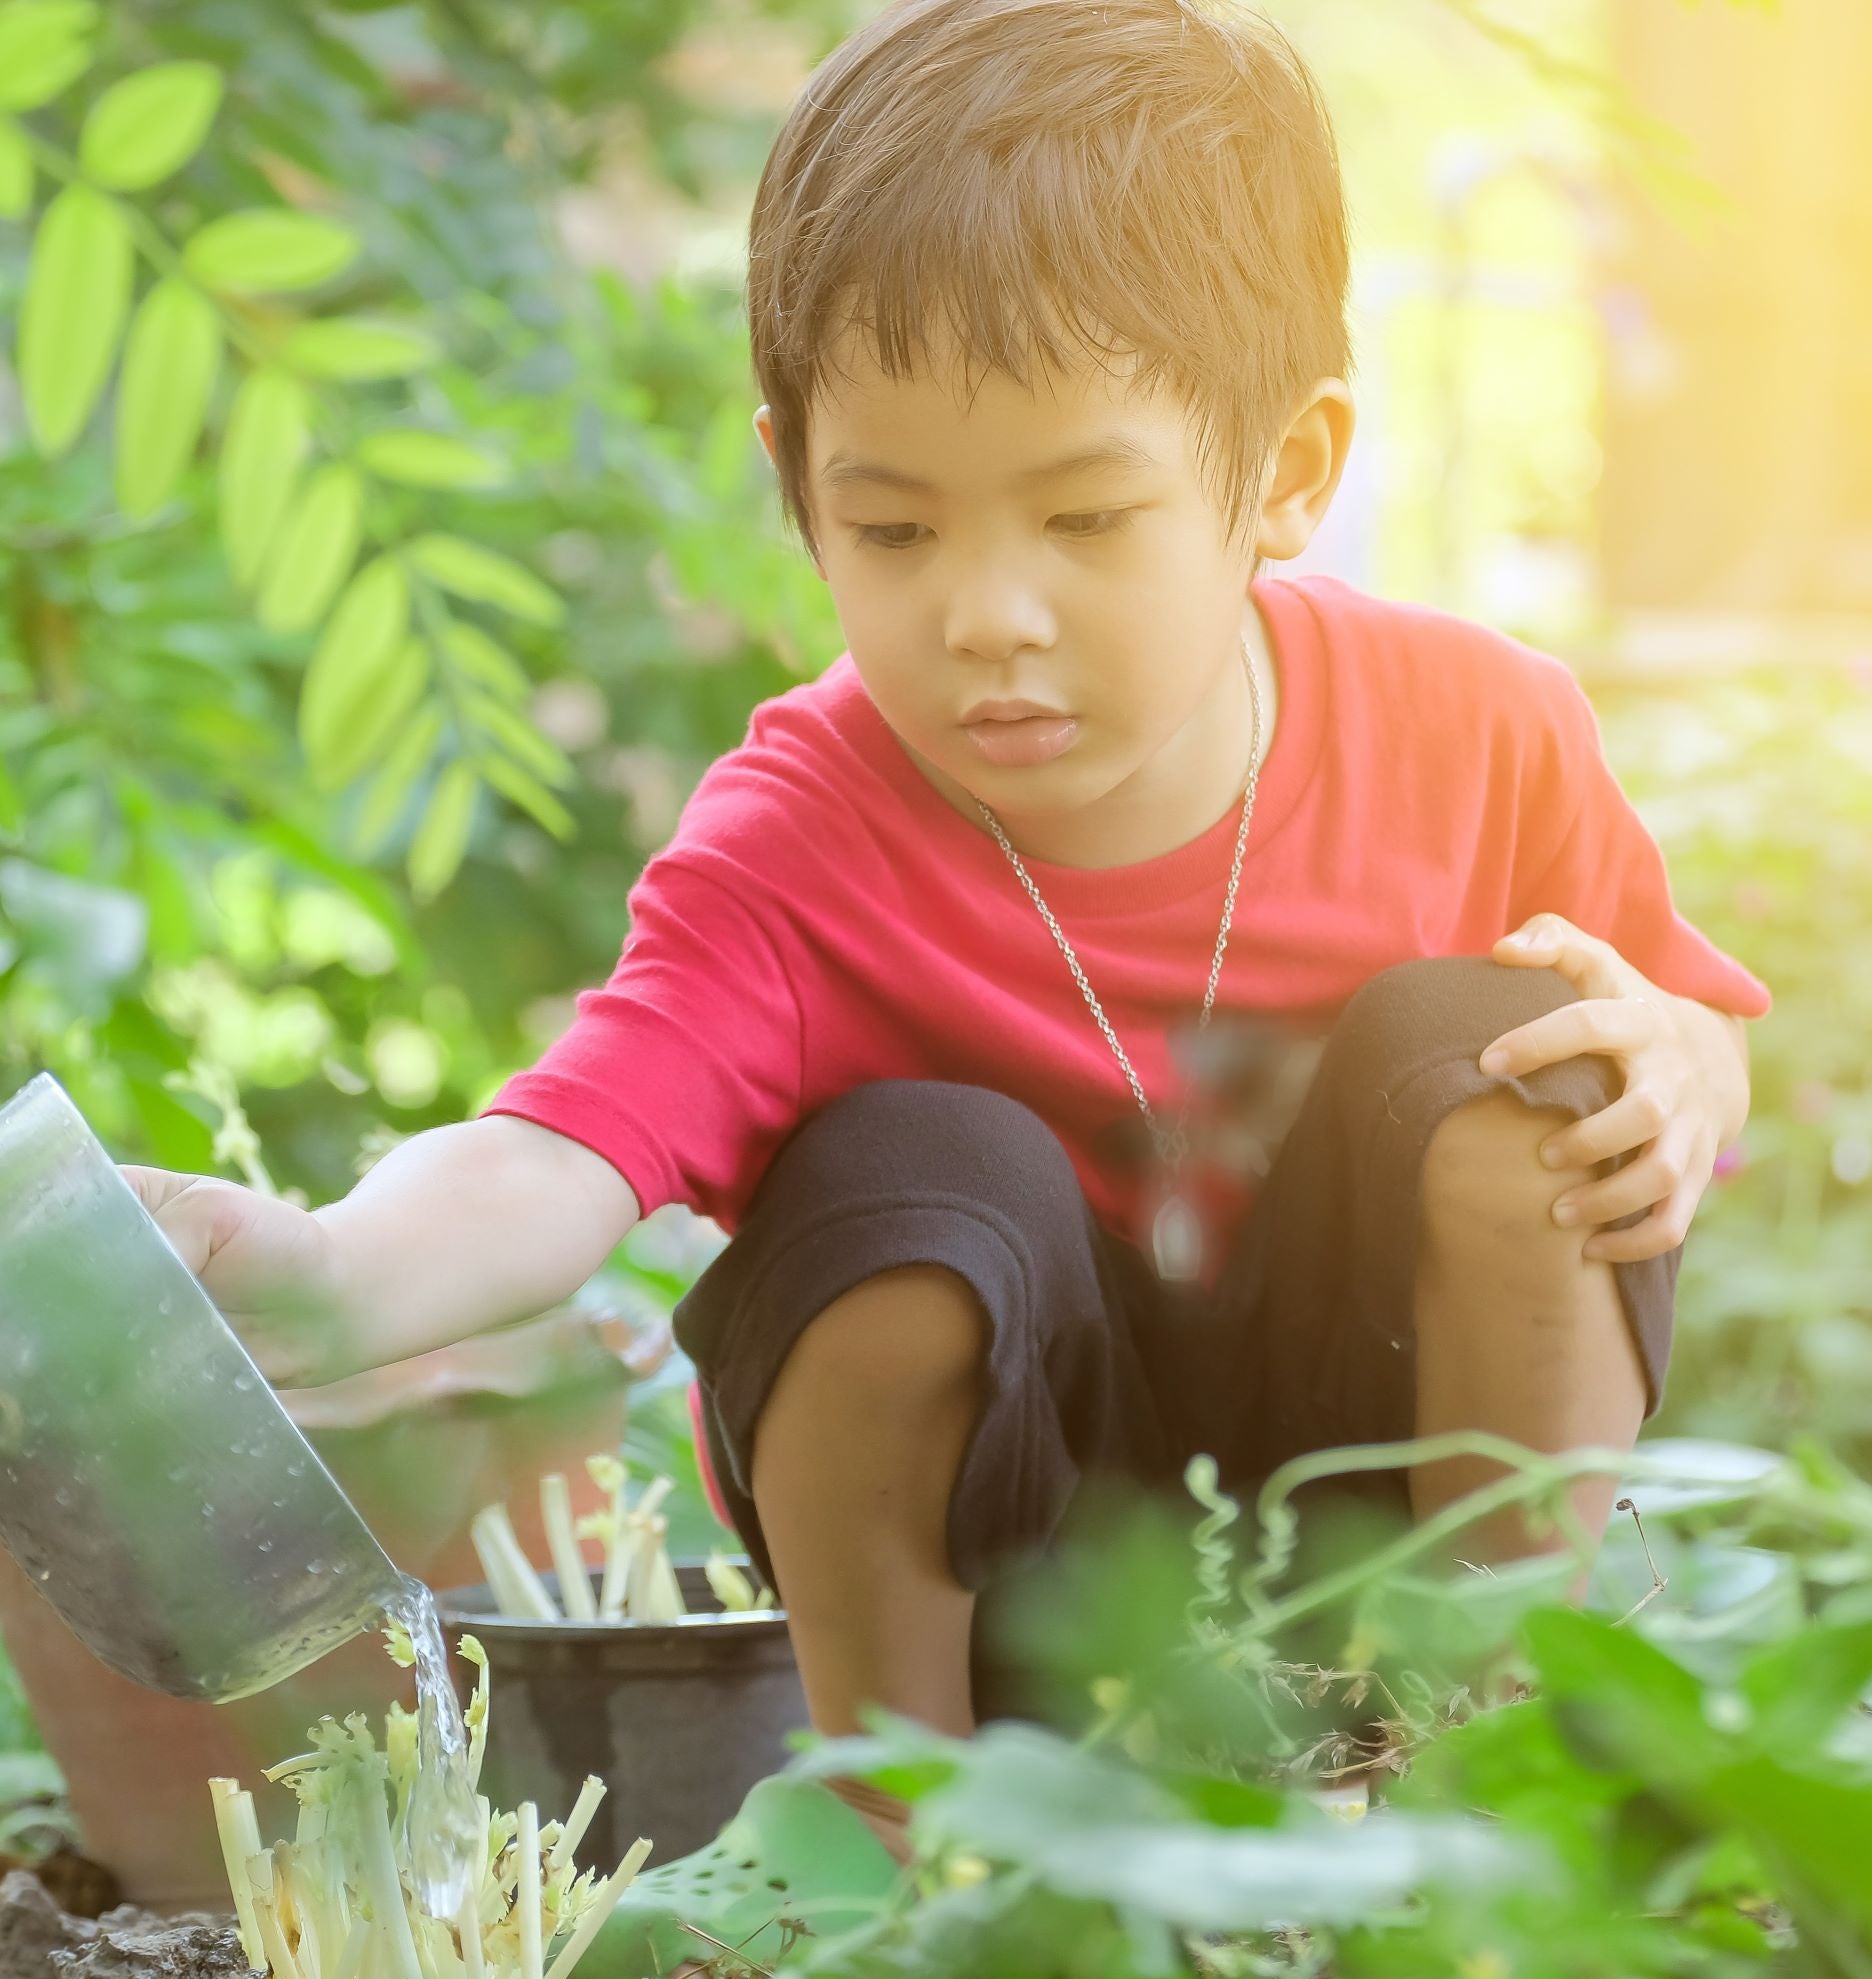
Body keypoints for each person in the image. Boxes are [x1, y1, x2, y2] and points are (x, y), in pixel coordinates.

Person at [126, 0, 1768, 1860]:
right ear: (797, 488)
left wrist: (1684, 1067)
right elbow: (557, 1152)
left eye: (1086, 517)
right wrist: (329, 1276)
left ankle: (1488, 1764)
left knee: (1520, 1055)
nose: (988, 612)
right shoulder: (801, 840)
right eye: (895, 532)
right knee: (911, 1173)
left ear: (1289, 471)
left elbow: (1686, 1029)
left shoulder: (1475, 731)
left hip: (1377, 1508)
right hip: (1019, 1579)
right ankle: (908, 1849)